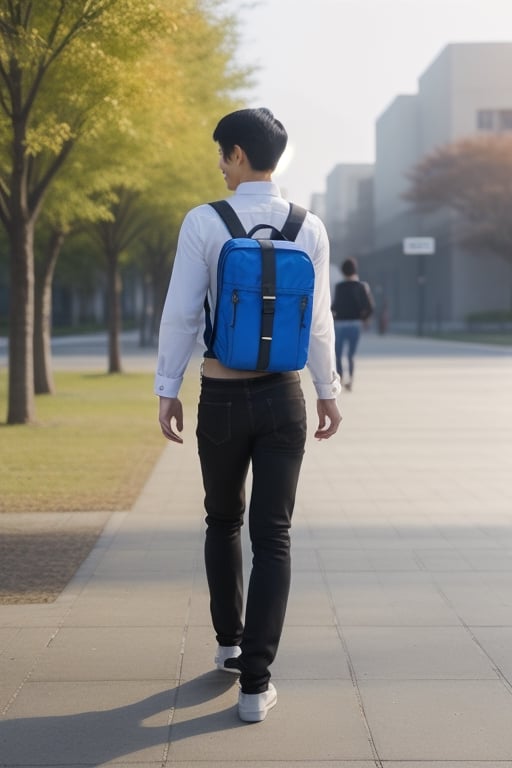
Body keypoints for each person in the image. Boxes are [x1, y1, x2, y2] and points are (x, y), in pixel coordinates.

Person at [155, 107, 341, 722]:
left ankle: (229, 644)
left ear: (237, 155)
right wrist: (327, 391)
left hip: (224, 396)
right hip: (284, 396)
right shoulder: (310, 225)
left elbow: (183, 311)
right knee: (275, 535)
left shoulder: (204, 221)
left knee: (222, 520)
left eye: (221, 153)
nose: (219, 163)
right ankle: (257, 687)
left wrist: (167, 386)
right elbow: (317, 320)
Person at [331, 257, 375, 391]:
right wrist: (365, 318)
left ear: (343, 271)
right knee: (351, 354)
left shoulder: (339, 287)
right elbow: (370, 307)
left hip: (339, 324)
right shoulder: (362, 286)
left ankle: (340, 377)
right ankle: (350, 380)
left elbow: (334, 306)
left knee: (338, 353)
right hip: (356, 324)